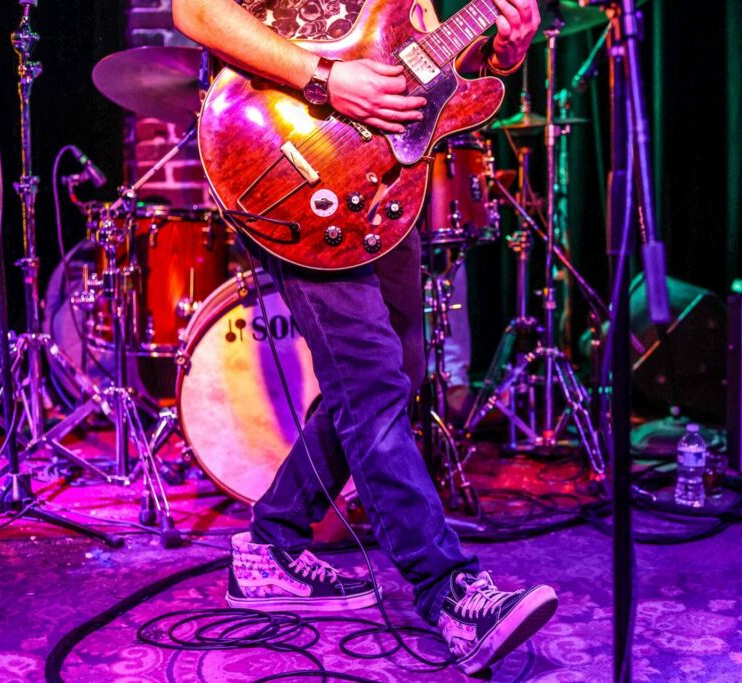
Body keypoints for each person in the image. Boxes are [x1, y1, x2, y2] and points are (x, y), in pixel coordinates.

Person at [172, 0, 556, 675]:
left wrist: (498, 52)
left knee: (396, 367)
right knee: (374, 377)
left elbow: (418, 66)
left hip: (373, 176)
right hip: (288, 151)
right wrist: (323, 77)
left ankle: (273, 542)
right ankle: (449, 591)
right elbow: (195, 10)